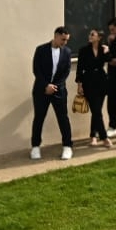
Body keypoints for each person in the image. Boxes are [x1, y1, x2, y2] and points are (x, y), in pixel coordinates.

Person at [30, 26, 75, 160]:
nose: (64, 42)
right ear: (56, 36)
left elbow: (66, 72)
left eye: (66, 40)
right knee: (39, 118)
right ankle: (35, 147)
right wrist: (46, 85)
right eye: (63, 39)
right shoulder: (41, 50)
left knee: (63, 118)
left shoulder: (67, 52)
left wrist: (54, 86)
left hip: (59, 91)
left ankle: (67, 146)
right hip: (41, 90)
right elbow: (36, 69)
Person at [74, 27, 111, 147]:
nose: (90, 36)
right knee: (96, 110)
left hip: (102, 81)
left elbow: (110, 60)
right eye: (90, 34)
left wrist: (107, 52)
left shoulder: (103, 49)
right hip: (89, 82)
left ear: (99, 37)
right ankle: (104, 137)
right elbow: (79, 69)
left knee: (97, 112)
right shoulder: (84, 50)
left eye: (92, 34)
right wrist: (79, 85)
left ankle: (93, 136)